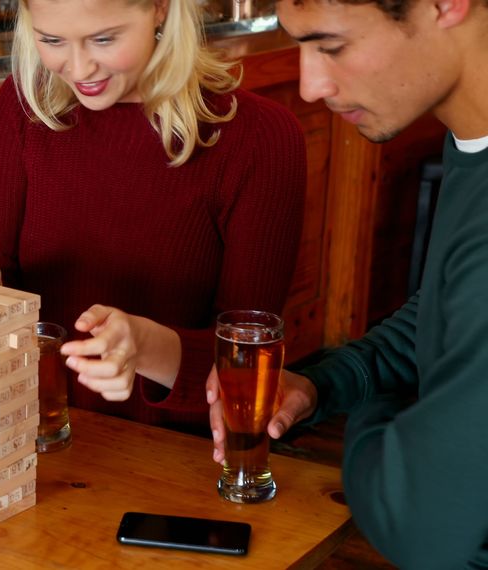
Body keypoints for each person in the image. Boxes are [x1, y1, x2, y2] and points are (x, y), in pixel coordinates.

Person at [0, 0, 306, 433]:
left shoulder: (260, 138)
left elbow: (244, 360)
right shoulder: (24, 103)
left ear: (160, 9)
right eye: (52, 40)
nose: (79, 68)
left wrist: (143, 346)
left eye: (103, 39)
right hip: (32, 441)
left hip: (180, 454)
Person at [206, 0, 488, 565]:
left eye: (332, 46)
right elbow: (444, 311)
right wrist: (325, 382)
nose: (310, 85)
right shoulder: (472, 143)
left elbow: (418, 525)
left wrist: (377, 421)